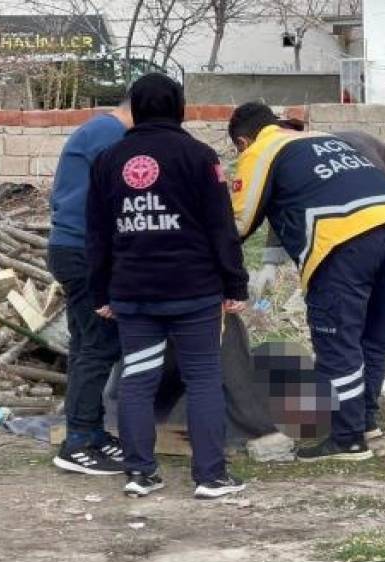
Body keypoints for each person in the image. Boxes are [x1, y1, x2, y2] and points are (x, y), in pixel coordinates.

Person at [227, 102, 385, 462]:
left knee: (338, 339)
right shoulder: (318, 139)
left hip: (345, 239)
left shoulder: (260, 150)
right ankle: (364, 422)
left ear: (242, 140)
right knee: (374, 335)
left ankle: (346, 439)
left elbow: (239, 221)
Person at [86, 73, 249, 499]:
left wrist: (101, 292)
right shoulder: (199, 156)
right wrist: (235, 281)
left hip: (134, 292)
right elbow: (220, 226)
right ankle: (211, 477)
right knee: (203, 379)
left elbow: (97, 233)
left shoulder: (107, 160)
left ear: (135, 109)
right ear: (180, 108)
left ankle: (140, 474)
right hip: (194, 290)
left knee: (137, 381)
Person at [251, 109, 385, 405]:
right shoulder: (299, 159)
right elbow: (289, 202)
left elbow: (379, 194)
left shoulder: (345, 143)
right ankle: (362, 378)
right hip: (371, 219)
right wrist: (270, 262)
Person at [47, 97, 133, 476]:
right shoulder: (111, 136)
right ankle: (78, 440)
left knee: (86, 345)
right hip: (85, 252)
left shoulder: (99, 130)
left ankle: (91, 431)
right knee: (99, 344)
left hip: (71, 248)